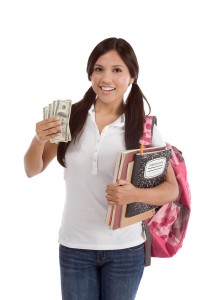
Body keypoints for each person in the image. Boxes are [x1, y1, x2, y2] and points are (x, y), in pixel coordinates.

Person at [24, 37, 179, 300]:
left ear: (131, 76)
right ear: (90, 74)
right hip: (75, 247)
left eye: (117, 70)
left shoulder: (144, 127)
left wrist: (135, 195)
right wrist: (39, 139)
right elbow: (32, 169)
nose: (106, 78)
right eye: (98, 69)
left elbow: (171, 189)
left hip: (126, 249)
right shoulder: (70, 118)